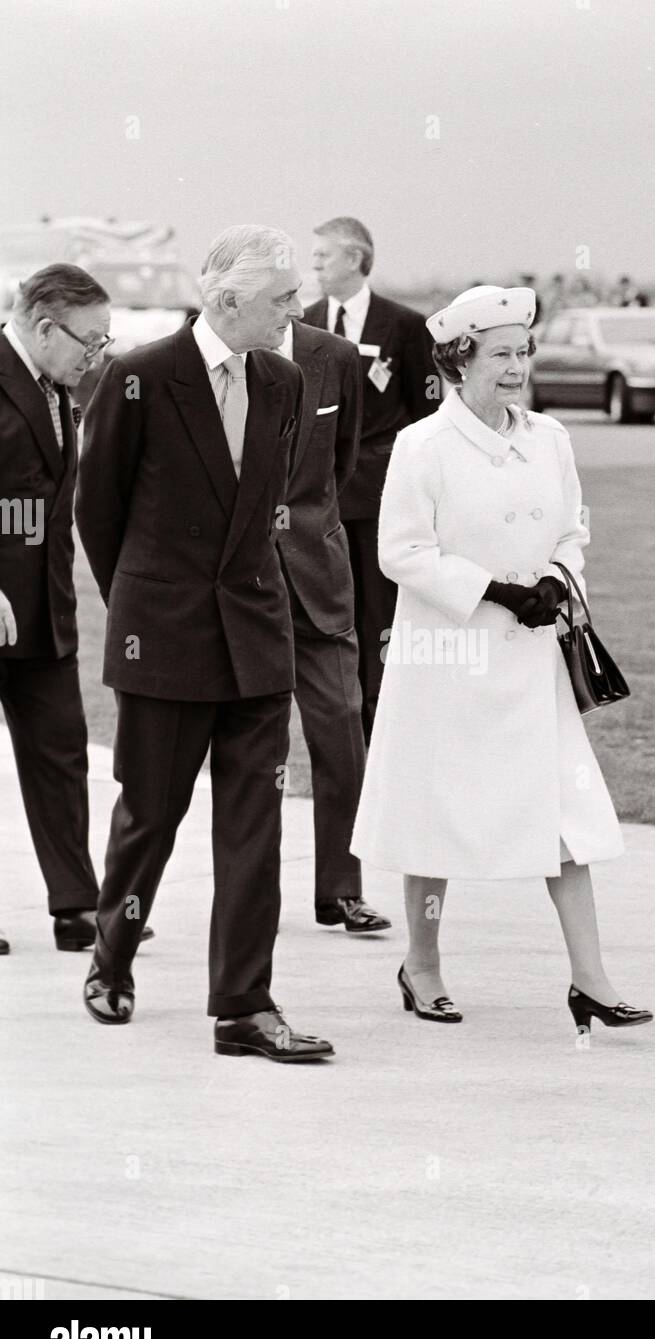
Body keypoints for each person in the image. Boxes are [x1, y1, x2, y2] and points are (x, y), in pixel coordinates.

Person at [350, 285, 652, 1036]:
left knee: (565, 814)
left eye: (524, 352)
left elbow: (571, 528)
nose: (517, 368)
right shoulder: (424, 444)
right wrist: (490, 590)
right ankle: (421, 965)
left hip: (529, 662)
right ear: (460, 361)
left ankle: (591, 980)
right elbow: (400, 552)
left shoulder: (550, 438)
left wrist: (557, 577)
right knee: (434, 813)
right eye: (502, 355)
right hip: (445, 658)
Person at [75, 225, 333, 1062]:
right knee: (150, 817)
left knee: (256, 829)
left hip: (257, 640)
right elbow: (98, 511)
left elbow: (263, 508)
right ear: (225, 299)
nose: (296, 310)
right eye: (280, 299)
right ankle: (111, 959)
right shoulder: (138, 378)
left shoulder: (286, 382)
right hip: (164, 641)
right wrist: (143, 613)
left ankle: (243, 1007)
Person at [0, 264, 121, 956]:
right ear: (45, 326)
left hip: (45, 612)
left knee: (62, 754)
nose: (95, 355)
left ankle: (77, 906)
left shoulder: (58, 389)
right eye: (89, 341)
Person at [276, 313, 391, 933]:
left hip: (319, 581)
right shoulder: (197, 351)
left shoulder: (336, 356)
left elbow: (340, 465)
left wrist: (309, 532)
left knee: (345, 728)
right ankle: (248, 894)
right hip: (239, 591)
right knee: (247, 749)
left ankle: (341, 890)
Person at [304, 217, 438, 740]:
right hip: (318, 497)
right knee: (329, 614)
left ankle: (384, 724)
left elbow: (426, 416)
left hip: (383, 494)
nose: (313, 264)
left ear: (357, 259)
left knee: (379, 613)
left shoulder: (404, 326)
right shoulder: (304, 322)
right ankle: (341, 727)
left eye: (323, 255)